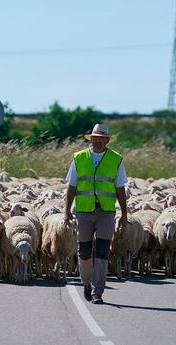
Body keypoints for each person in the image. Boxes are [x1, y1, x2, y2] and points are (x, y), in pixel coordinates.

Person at [64, 123, 127, 305]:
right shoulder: (79, 158)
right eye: (95, 137)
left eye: (102, 138)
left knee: (102, 252)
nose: (98, 141)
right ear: (90, 139)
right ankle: (86, 282)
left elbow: (120, 188)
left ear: (107, 140)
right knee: (84, 251)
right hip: (84, 211)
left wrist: (124, 215)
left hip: (106, 212)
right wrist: (67, 211)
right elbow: (72, 187)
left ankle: (97, 291)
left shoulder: (116, 159)